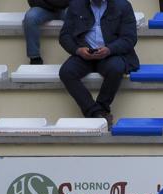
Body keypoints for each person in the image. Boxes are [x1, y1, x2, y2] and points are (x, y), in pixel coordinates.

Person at [58, 0, 139, 129]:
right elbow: (65, 36)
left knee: (116, 68)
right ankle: (95, 112)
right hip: (84, 53)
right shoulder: (75, 5)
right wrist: (78, 50)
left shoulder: (123, 5)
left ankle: (102, 108)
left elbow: (129, 38)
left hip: (111, 53)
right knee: (66, 72)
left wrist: (109, 49)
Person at [24, 0, 69, 65]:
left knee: (79, 14)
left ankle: (81, 52)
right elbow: (33, 2)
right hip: (42, 9)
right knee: (30, 17)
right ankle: (35, 58)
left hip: (64, 9)